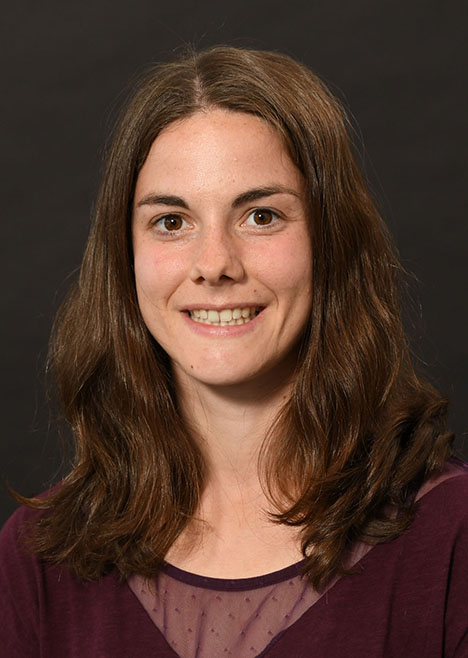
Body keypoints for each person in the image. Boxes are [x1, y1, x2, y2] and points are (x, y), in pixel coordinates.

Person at [1, 45, 466, 658]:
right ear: (125, 258)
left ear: (331, 242)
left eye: (261, 216)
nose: (215, 263)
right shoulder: (36, 557)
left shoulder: (453, 536)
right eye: (172, 222)